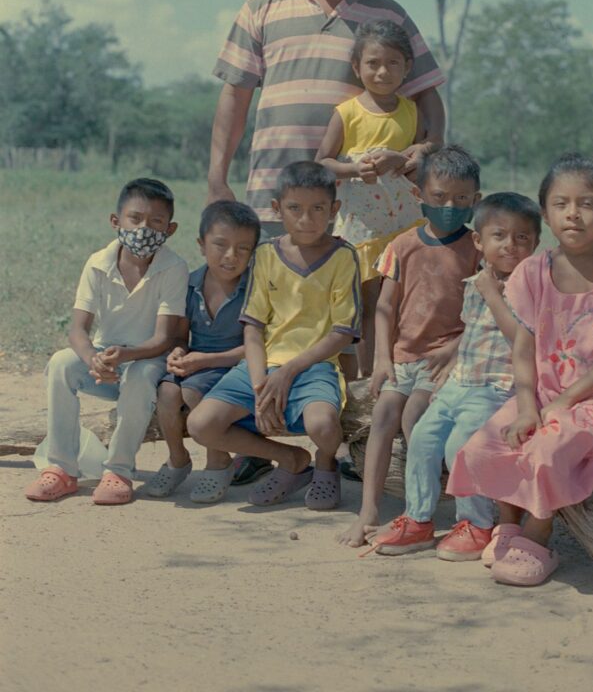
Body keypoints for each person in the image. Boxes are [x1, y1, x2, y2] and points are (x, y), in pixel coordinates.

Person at [447, 153, 593, 587]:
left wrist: (566, 400)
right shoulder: (533, 270)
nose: (573, 213)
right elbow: (523, 346)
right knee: (486, 444)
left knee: (547, 450)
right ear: (545, 213)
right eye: (561, 203)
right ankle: (507, 523)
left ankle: (539, 534)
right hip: (544, 391)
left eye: (587, 203)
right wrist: (527, 405)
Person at [207, 0, 445, 237]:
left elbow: (426, 92)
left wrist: (427, 150)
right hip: (276, 194)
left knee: (357, 292)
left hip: (362, 204)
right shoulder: (262, 7)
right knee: (278, 289)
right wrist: (216, 178)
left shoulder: (389, 15)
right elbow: (234, 98)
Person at [365, 192, 541, 560]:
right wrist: (451, 369)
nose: (510, 245)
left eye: (522, 237)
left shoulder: (533, 287)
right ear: (478, 241)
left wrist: (495, 294)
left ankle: (475, 524)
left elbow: (523, 342)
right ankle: (418, 519)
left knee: (459, 444)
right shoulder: (475, 283)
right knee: (424, 439)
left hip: (498, 387)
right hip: (461, 382)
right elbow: (472, 335)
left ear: (536, 243)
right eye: (499, 236)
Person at [187, 161, 362, 510]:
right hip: (263, 365)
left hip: (315, 366)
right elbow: (253, 327)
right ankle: (292, 461)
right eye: (294, 208)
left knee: (324, 426)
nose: (306, 219)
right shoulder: (266, 254)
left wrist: (287, 373)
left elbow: (343, 332)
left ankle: (325, 464)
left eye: (318, 209)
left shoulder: (344, 257)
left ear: (334, 210)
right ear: (277, 208)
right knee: (201, 424)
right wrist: (259, 385)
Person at [338, 146, 482, 548]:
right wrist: (382, 359)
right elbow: (384, 306)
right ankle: (367, 511)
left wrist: (455, 352)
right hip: (403, 356)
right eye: (439, 197)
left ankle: (422, 511)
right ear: (419, 196)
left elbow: (482, 311)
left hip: (446, 360)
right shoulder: (402, 246)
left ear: (476, 201)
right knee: (382, 415)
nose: (450, 206)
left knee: (416, 416)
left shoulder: (477, 248)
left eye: (461, 199)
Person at [25, 178, 188, 506]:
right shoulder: (97, 264)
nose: (144, 229)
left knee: (141, 376)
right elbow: (77, 330)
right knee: (60, 363)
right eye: (135, 219)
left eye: (156, 222)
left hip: (146, 360)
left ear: (170, 229)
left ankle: (118, 471)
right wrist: (92, 360)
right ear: (116, 221)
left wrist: (126, 356)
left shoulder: (174, 268)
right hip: (106, 360)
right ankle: (61, 469)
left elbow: (163, 338)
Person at [317, 19, 434, 372]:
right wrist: (354, 170)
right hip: (363, 227)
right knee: (369, 304)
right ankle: (369, 379)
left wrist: (406, 155)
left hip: (404, 223)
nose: (382, 71)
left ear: (407, 68)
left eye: (392, 63)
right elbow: (322, 161)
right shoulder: (347, 113)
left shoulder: (412, 111)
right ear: (357, 67)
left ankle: (403, 369)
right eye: (373, 63)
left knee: (401, 300)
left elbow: (426, 150)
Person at [143, 199, 270, 503]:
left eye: (243, 248)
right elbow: (181, 336)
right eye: (220, 245)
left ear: (254, 252)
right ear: (201, 244)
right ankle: (177, 459)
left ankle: (218, 462)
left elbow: (261, 347)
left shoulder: (256, 288)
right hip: (197, 365)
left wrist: (206, 361)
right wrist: (177, 353)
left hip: (237, 367)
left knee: (193, 394)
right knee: (167, 393)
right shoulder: (190, 285)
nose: (231, 256)